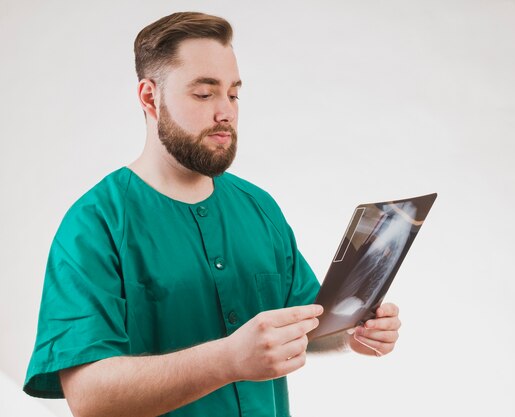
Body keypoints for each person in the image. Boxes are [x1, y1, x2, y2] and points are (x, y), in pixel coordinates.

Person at [23, 11, 401, 417]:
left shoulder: (259, 208)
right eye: (204, 95)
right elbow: (88, 397)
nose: (226, 112)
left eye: (233, 94)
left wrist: (352, 332)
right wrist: (227, 360)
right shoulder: (94, 224)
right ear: (150, 97)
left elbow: (306, 325)